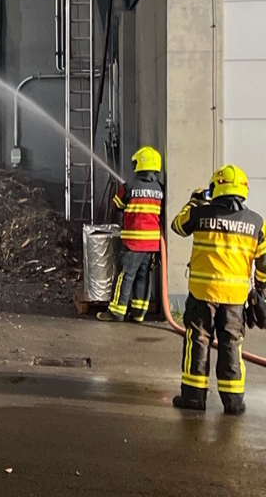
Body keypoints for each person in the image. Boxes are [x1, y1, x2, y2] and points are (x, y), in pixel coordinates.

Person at [170, 164, 266, 415]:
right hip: (235, 300)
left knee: (198, 342)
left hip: (203, 295)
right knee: (232, 345)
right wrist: (261, 290)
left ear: (217, 189)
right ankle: (233, 401)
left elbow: (177, 226)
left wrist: (193, 200)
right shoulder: (257, 222)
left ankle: (193, 397)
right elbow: (264, 261)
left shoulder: (200, 214)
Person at [98, 146, 164, 322]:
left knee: (125, 276)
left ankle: (116, 311)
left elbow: (117, 205)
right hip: (152, 245)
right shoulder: (161, 189)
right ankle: (138, 313)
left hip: (133, 242)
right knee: (144, 277)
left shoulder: (129, 187)